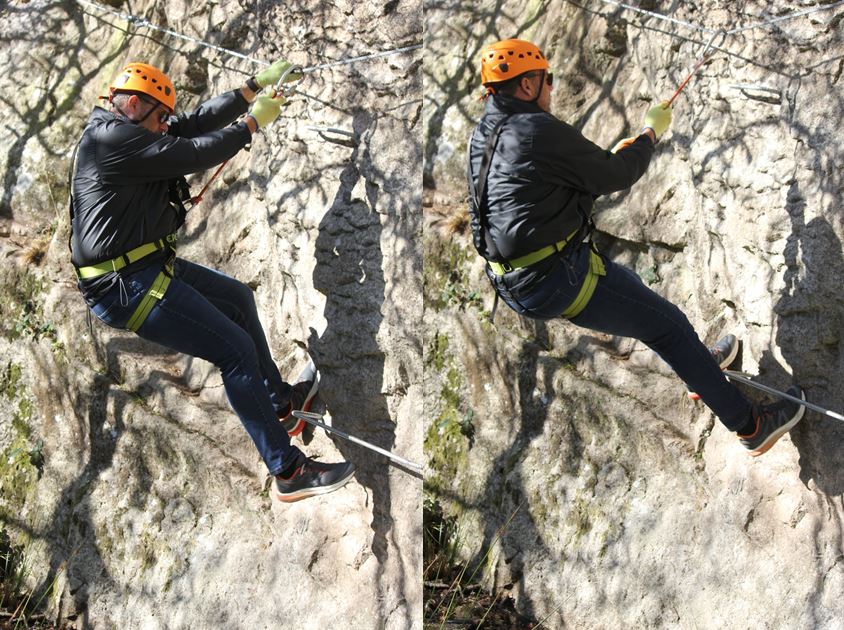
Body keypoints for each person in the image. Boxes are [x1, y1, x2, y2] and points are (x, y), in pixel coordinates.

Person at [467, 39, 805, 456]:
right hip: (555, 277)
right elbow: (616, 173)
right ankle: (750, 426)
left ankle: (701, 369)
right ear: (526, 85)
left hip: (522, 278)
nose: (551, 88)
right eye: (547, 80)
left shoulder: (486, 131)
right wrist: (649, 133)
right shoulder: (536, 130)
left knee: (655, 320)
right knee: (667, 326)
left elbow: (537, 189)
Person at [69, 60, 355, 501]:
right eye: (159, 115)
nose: (166, 124)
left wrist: (249, 89)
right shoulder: (110, 139)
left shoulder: (131, 131)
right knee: (234, 351)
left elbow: (190, 125)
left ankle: (282, 404)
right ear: (131, 104)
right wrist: (250, 125)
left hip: (143, 266)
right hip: (124, 285)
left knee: (237, 298)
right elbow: (195, 152)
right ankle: (288, 470)